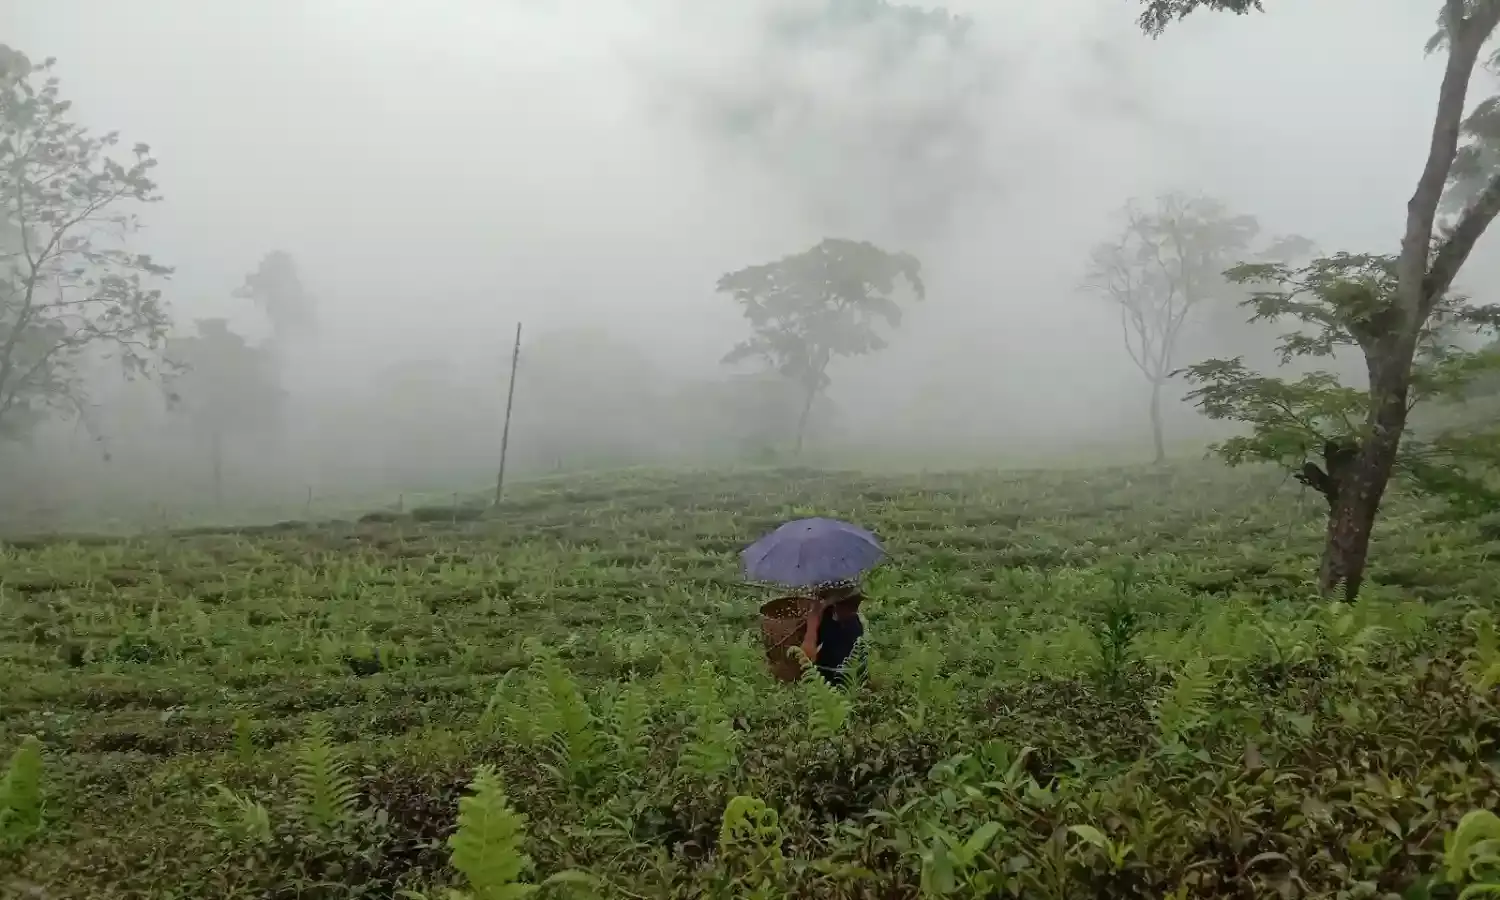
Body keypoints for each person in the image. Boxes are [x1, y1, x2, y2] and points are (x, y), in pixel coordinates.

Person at [800, 582, 866, 686]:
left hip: (849, 676)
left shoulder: (855, 625)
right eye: (848, 606)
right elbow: (812, 645)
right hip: (826, 674)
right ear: (837, 605)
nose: (852, 610)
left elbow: (859, 657)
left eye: (854, 606)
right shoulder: (826, 618)